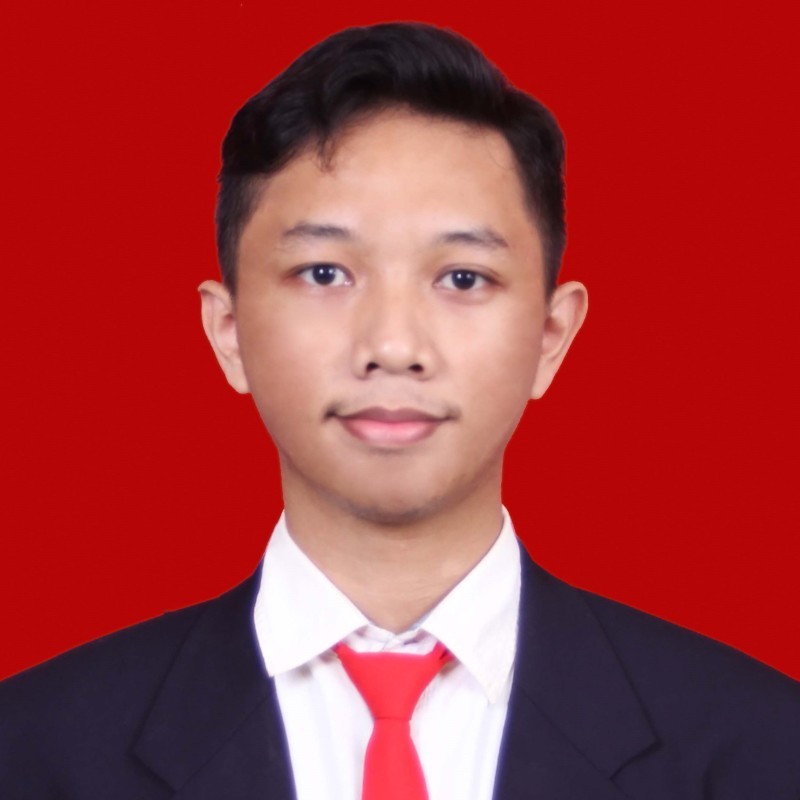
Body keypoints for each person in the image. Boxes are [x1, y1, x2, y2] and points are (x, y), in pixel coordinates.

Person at [1, 21, 798, 800]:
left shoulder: (761, 746)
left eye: (462, 278)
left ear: (551, 336)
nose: (392, 345)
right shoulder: (34, 750)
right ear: (229, 331)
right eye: (323, 273)